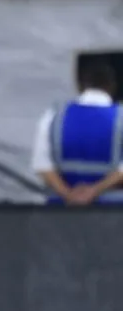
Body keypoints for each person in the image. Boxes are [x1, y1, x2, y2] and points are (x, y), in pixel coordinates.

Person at [31, 60, 123, 204]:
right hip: (112, 212)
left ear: (81, 86)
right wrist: (94, 190)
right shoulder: (121, 117)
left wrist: (68, 194)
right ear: (112, 87)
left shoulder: (54, 115)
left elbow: (41, 165)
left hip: (62, 212)